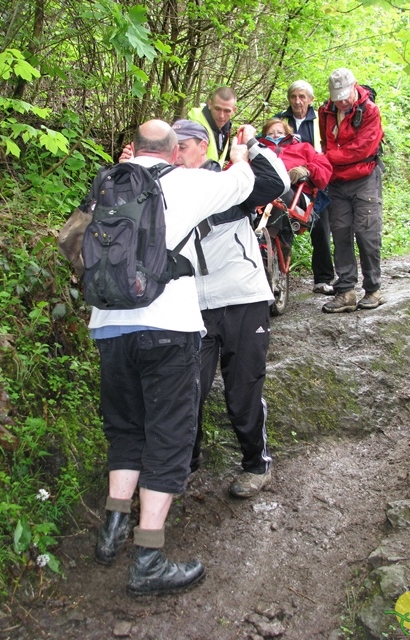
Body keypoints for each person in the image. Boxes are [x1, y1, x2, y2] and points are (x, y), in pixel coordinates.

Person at [89, 119, 255, 597]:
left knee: (126, 431)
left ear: (134, 149)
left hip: (108, 327)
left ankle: (112, 530)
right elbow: (241, 183)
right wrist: (241, 154)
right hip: (169, 328)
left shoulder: (107, 183)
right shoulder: (188, 180)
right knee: (167, 438)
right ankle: (148, 558)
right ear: (172, 151)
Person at [170, 119, 290, 498]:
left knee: (242, 392)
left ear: (202, 146)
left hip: (242, 299)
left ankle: (256, 465)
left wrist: (250, 148)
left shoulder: (227, 182)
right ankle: (185, 465)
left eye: (183, 145)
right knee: (188, 390)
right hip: (193, 307)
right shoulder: (164, 191)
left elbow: (276, 184)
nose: (176, 153)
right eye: (171, 146)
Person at [318, 68, 385, 313]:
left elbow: (363, 149)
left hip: (364, 178)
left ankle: (373, 289)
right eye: (337, 97)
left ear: (355, 87)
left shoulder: (369, 111)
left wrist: (327, 158)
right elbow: (325, 142)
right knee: (341, 234)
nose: (342, 101)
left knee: (367, 234)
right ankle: (346, 291)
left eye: (345, 96)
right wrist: (325, 162)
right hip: (337, 182)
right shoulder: (325, 111)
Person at [274, 80, 335, 295]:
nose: (297, 101)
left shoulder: (321, 120)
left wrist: (311, 170)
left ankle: (323, 278)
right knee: (283, 225)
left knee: (320, 229)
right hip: (287, 182)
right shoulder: (280, 121)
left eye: (302, 97)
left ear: (310, 99)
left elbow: (326, 149)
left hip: (315, 180)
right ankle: (278, 278)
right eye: (293, 97)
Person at [187, 86, 237, 166]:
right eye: (217, 109)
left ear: (234, 110)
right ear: (210, 104)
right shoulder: (195, 127)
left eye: (227, 111)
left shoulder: (225, 128)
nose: (221, 116)